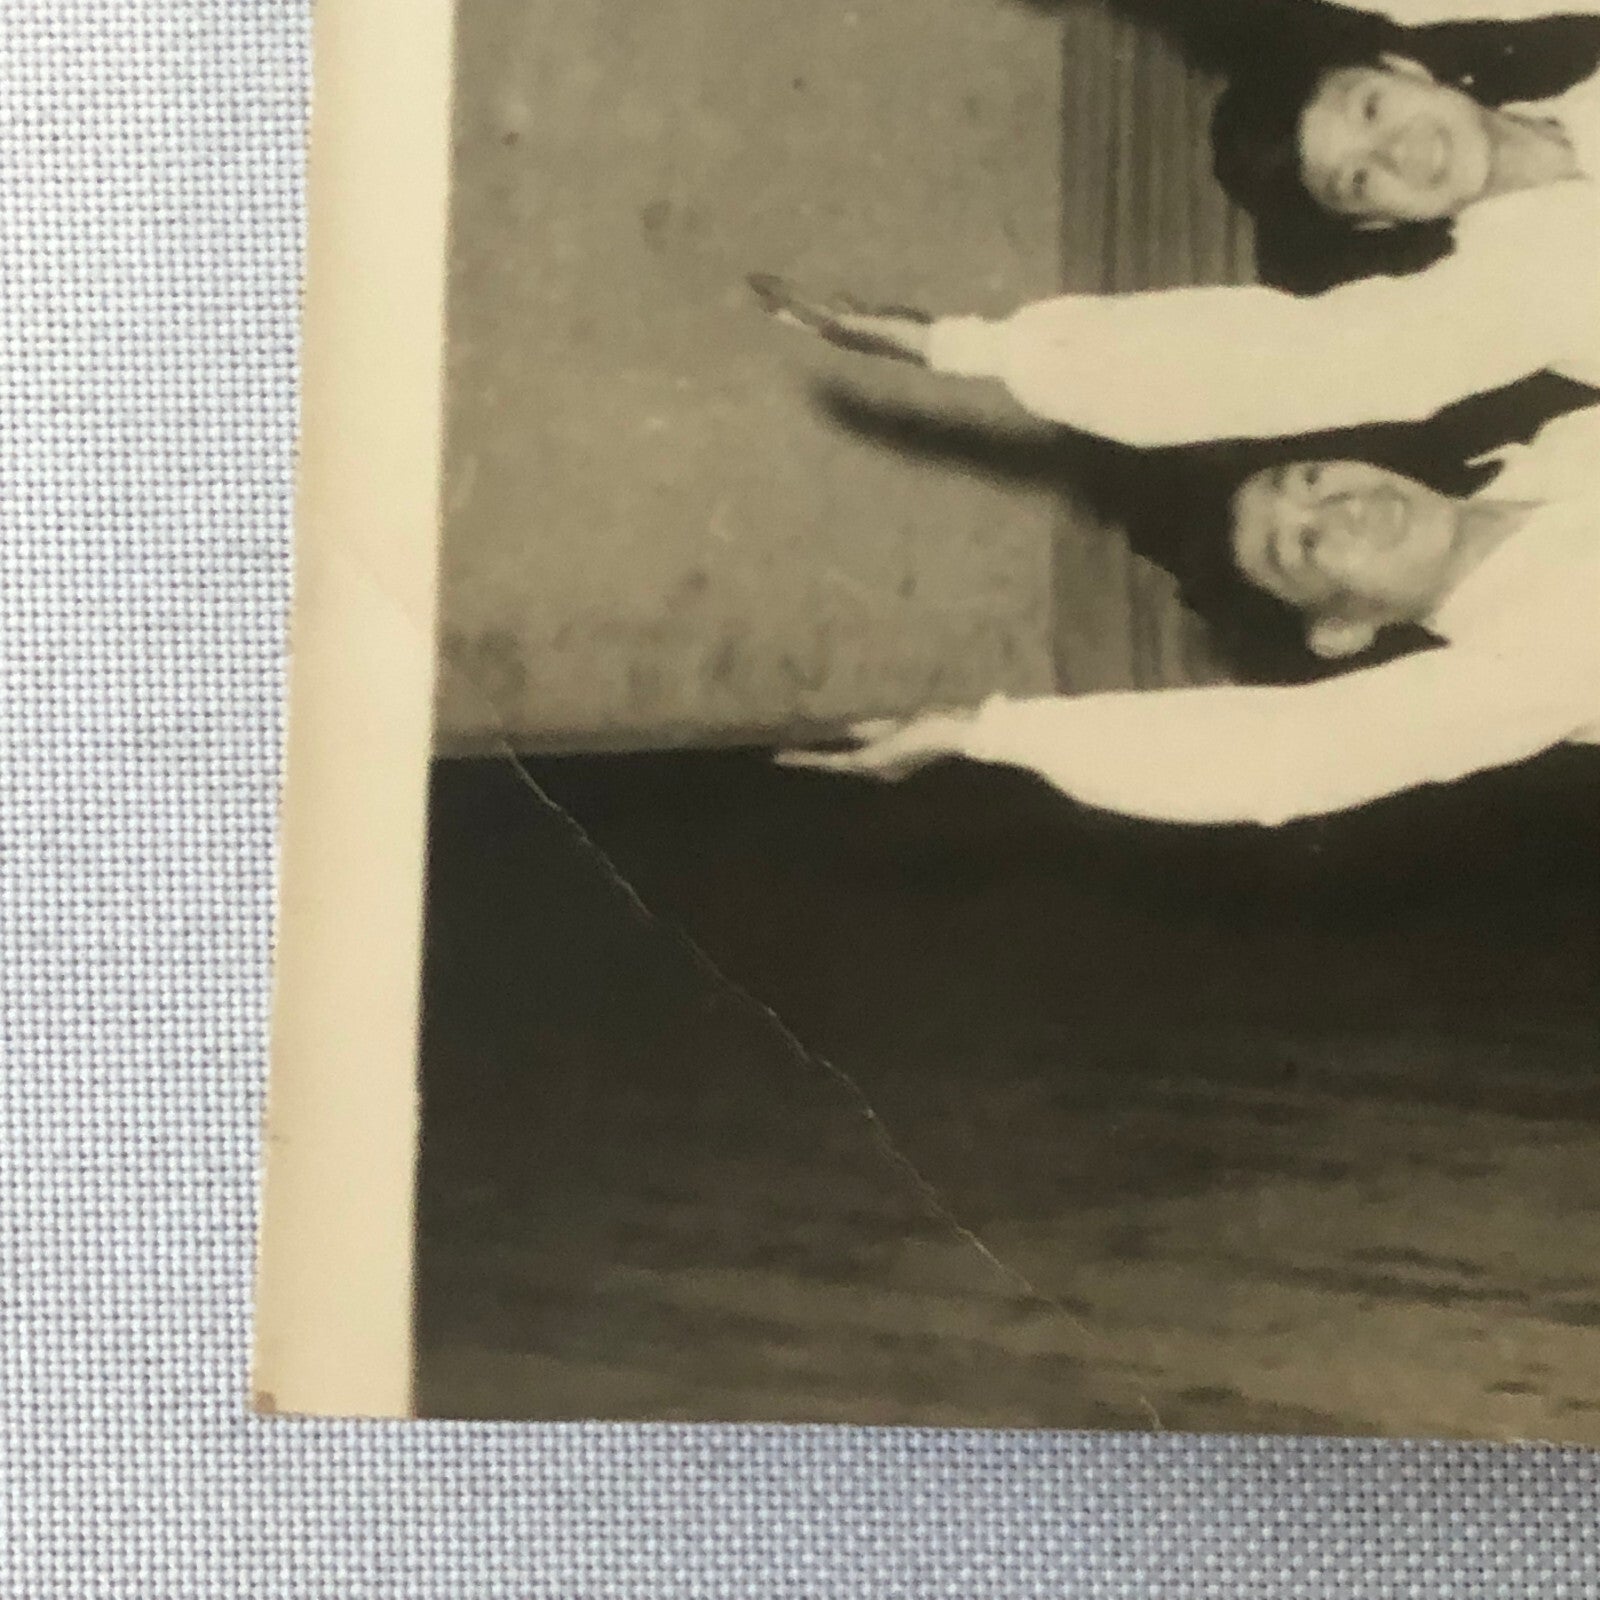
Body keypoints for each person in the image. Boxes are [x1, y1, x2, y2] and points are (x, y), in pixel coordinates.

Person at [751, 0, 1600, 447]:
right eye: (1358, 179)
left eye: (1373, 107)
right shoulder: (1501, 300)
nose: (1399, 151)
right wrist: (961, 347)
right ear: (1377, 225)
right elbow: (1278, 366)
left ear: (1407, 65)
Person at [776, 405, 1600, 826]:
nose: (1338, 508)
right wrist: (984, 731)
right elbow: (1284, 755)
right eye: (1304, 548)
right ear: (1342, 629)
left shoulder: (1562, 445)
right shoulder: (1521, 664)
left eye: (1309, 480)